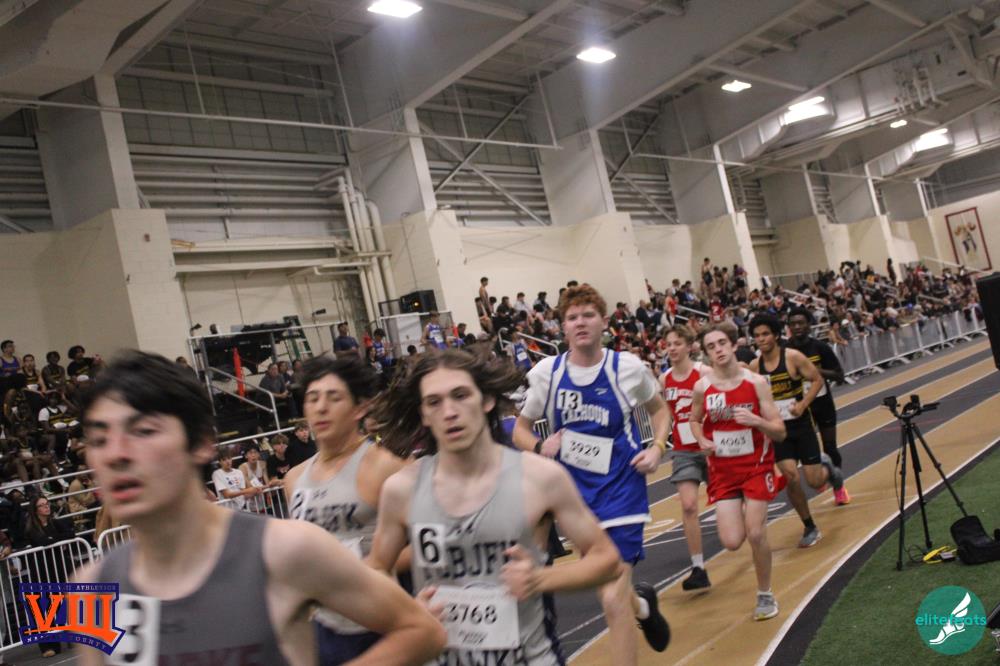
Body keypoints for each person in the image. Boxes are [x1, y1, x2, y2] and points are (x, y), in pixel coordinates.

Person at [73, 351, 447, 665]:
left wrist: (379, 565)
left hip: (367, 611)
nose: (116, 454)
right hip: (326, 623)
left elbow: (421, 629)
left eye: (143, 431)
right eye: (99, 438)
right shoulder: (90, 587)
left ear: (202, 442)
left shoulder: (284, 549)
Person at [369, 349, 624, 665]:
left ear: (487, 400)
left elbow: (607, 559)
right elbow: (377, 569)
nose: (449, 412)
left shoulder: (540, 477)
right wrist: (405, 612)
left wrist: (540, 579)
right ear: (423, 414)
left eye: (460, 395)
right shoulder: (401, 490)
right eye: (434, 402)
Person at [513, 284, 672, 664]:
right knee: (609, 587)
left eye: (588, 315)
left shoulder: (627, 368)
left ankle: (634, 610)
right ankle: (643, 607)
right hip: (574, 499)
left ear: (604, 322)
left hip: (621, 488)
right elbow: (520, 430)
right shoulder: (546, 374)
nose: (580, 322)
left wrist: (656, 448)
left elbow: (659, 410)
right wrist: (540, 446)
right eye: (572, 317)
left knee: (611, 598)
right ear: (562, 327)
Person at [283, 356, 409, 663]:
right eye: (312, 398)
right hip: (326, 626)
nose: (321, 407)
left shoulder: (385, 465)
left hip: (383, 622)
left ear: (360, 408)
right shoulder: (294, 479)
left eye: (334, 397)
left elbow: (426, 541)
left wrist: (370, 568)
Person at [689, 323, 787, 621]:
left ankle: (765, 594)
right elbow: (694, 420)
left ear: (733, 345)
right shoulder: (702, 387)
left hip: (756, 466)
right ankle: (744, 511)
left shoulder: (756, 383)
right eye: (711, 347)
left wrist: (756, 421)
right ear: (706, 354)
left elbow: (779, 431)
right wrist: (701, 439)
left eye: (722, 343)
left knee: (755, 533)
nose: (718, 350)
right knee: (731, 541)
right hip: (723, 471)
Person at [748, 315, 843, 549]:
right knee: (790, 477)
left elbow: (817, 379)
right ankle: (809, 526)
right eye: (757, 336)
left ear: (776, 335)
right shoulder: (755, 367)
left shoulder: (792, 357)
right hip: (778, 432)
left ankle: (829, 470)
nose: (761, 339)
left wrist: (803, 404)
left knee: (814, 481)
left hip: (801, 426)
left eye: (765, 334)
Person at [659, 324, 711, 590]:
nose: (672, 348)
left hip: (710, 446)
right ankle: (698, 567)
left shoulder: (703, 373)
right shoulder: (664, 379)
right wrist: (659, 441)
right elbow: (663, 413)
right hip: (683, 450)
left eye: (677, 343)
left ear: (689, 346)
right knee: (689, 505)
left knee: (732, 501)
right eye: (668, 344)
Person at [786, 308, 850, 505]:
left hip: (822, 403)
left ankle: (839, 487)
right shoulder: (785, 351)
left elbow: (839, 375)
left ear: (809, 325)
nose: (797, 327)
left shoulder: (820, 347)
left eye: (801, 323)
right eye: (793, 323)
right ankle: (820, 474)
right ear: (789, 327)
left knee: (830, 446)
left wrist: (813, 371)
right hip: (798, 406)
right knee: (806, 447)